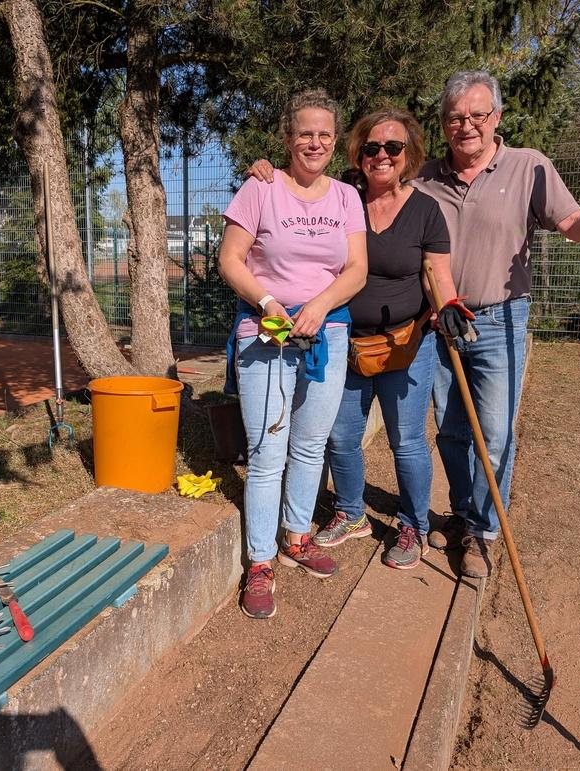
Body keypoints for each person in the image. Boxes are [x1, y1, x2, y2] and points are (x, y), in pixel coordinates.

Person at [416, 70, 580, 577]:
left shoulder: (529, 167)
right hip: (441, 323)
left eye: (477, 115)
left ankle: (483, 533)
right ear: (444, 123)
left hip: (500, 317)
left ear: (496, 117)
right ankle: (462, 514)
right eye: (455, 117)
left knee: (495, 433)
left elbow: (577, 229)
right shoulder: (424, 179)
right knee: (451, 430)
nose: (466, 125)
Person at [246, 109, 466, 570]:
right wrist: (264, 169)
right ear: (358, 153)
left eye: (393, 147)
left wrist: (447, 305)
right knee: (342, 438)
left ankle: (413, 524)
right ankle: (350, 513)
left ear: (409, 154)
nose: (382, 155)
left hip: (406, 344)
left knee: (407, 439)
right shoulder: (344, 196)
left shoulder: (425, 210)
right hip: (345, 342)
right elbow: (298, 191)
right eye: (372, 147)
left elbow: (438, 273)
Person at [219, 89, 368, 619]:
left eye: (325, 134)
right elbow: (230, 259)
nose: (315, 142)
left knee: (310, 445)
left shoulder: (347, 197)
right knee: (267, 451)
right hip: (265, 331)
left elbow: (357, 269)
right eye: (305, 133)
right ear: (287, 138)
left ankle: (297, 536)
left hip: (327, 332)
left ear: (335, 140)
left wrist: (321, 306)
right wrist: (268, 304)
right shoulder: (260, 188)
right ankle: (260, 562)